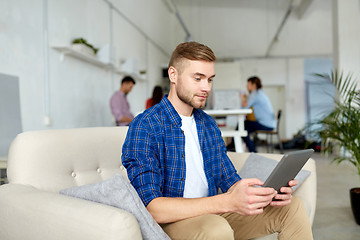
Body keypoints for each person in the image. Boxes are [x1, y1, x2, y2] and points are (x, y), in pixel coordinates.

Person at [122, 42, 313, 240]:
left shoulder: (208, 125)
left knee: (293, 207)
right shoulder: (146, 125)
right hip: (173, 222)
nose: (206, 88)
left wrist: (263, 194)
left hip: (215, 213)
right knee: (215, 228)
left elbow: (230, 180)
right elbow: (153, 209)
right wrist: (226, 202)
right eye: (198, 78)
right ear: (173, 75)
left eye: (210, 80)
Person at [240, 76, 276, 152]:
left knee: (243, 126)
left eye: (248, 85)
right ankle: (251, 149)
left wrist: (242, 98)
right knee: (244, 128)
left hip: (266, 124)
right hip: (270, 124)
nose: (247, 87)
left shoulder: (255, 94)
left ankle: (252, 150)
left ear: (254, 85)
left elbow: (244, 108)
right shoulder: (260, 93)